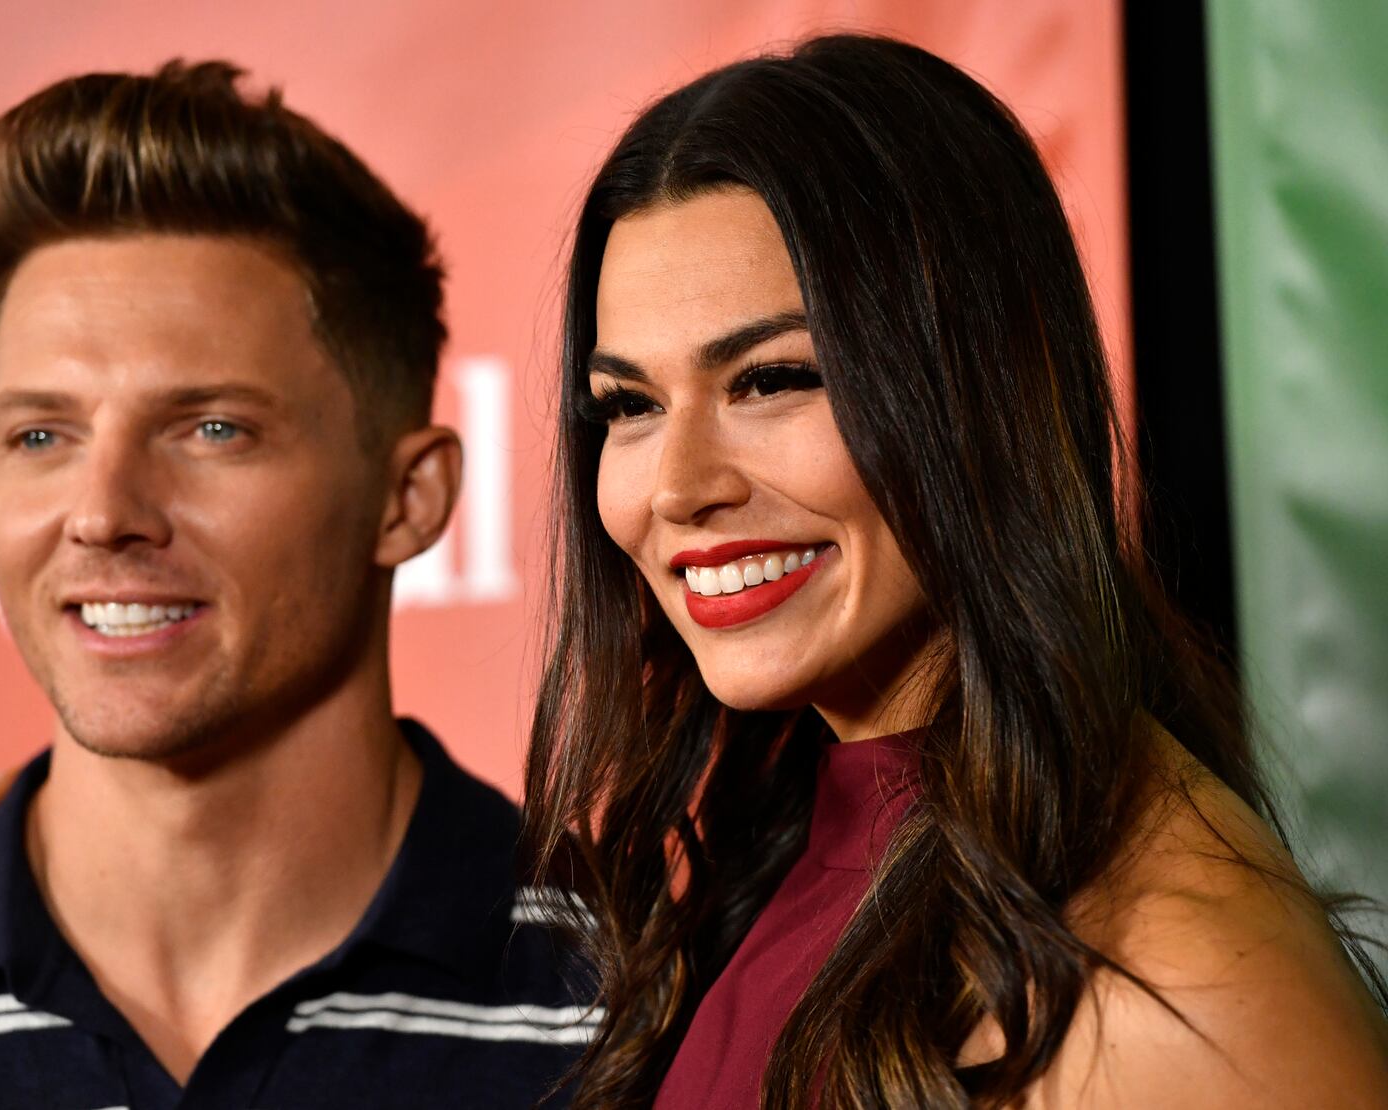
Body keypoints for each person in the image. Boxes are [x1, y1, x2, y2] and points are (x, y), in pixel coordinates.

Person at [523, 33, 1388, 1109]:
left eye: (773, 379)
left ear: (989, 382)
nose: (677, 485)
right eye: (631, 406)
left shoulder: (1169, 985)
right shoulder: (789, 843)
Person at [0, 61, 591, 1109]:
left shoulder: (641, 1006)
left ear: (409, 498)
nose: (104, 510)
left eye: (213, 429)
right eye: (41, 434)